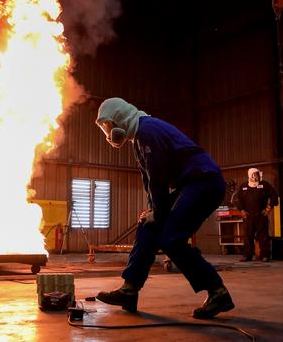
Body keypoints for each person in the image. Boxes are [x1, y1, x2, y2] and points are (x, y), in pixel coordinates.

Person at [94, 97, 234, 319]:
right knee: (148, 225)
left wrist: (157, 213)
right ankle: (129, 290)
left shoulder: (148, 131)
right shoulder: (138, 138)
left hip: (204, 182)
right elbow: (149, 181)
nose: (108, 132)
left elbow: (158, 180)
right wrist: (152, 212)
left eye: (108, 125)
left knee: (171, 239)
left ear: (119, 117)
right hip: (189, 184)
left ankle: (218, 292)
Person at [233, 168, 280, 262]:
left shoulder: (264, 185)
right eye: (254, 174)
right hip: (248, 216)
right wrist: (241, 210)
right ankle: (247, 255)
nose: (256, 176)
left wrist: (268, 208)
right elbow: (237, 199)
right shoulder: (243, 187)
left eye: (257, 174)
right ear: (250, 175)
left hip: (261, 216)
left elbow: (274, 196)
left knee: (263, 236)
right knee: (248, 236)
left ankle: (265, 255)